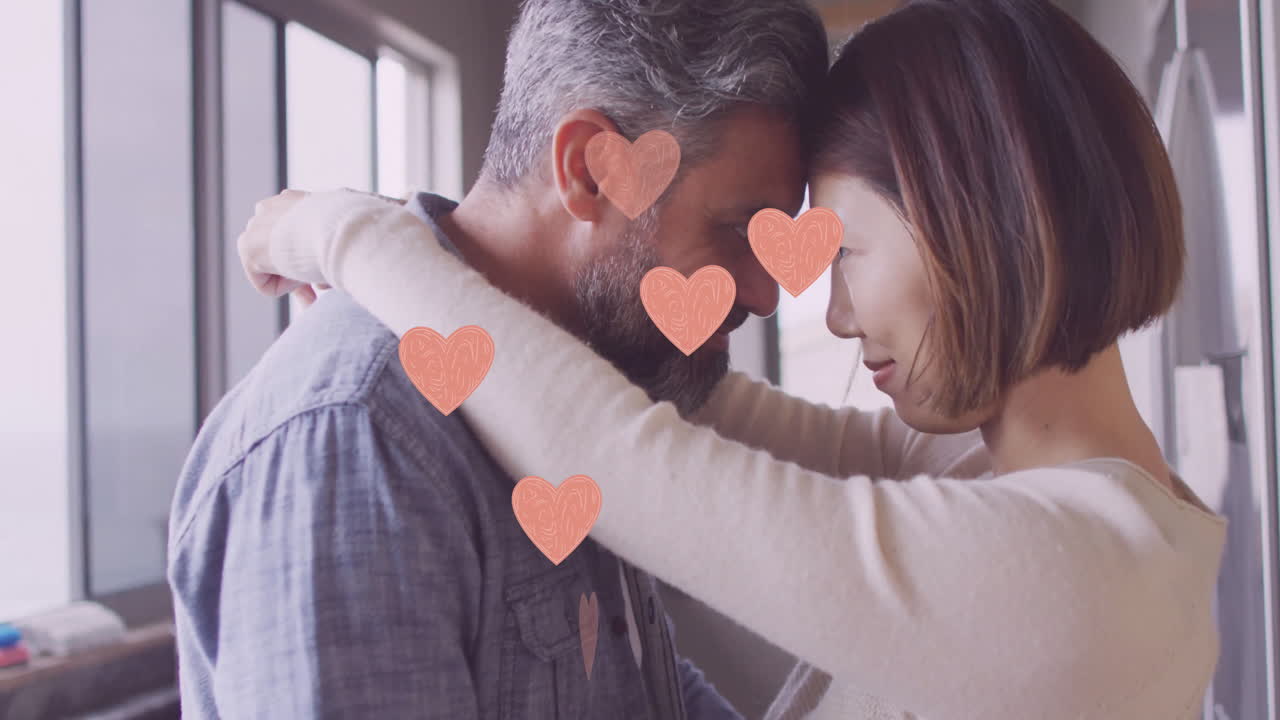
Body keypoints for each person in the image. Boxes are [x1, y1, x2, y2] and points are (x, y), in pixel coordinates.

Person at [237, 0, 1230, 718]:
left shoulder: (1064, 574)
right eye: (742, 235)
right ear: (589, 168)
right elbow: (696, 416)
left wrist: (347, 237)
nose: (816, 312)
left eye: (836, 253)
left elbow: (628, 464)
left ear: (972, 228)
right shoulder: (1046, 495)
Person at [166, 1, 832, 718]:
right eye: (737, 228)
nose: (768, 293)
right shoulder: (359, 435)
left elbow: (636, 687)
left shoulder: (589, 390)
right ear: (591, 171)